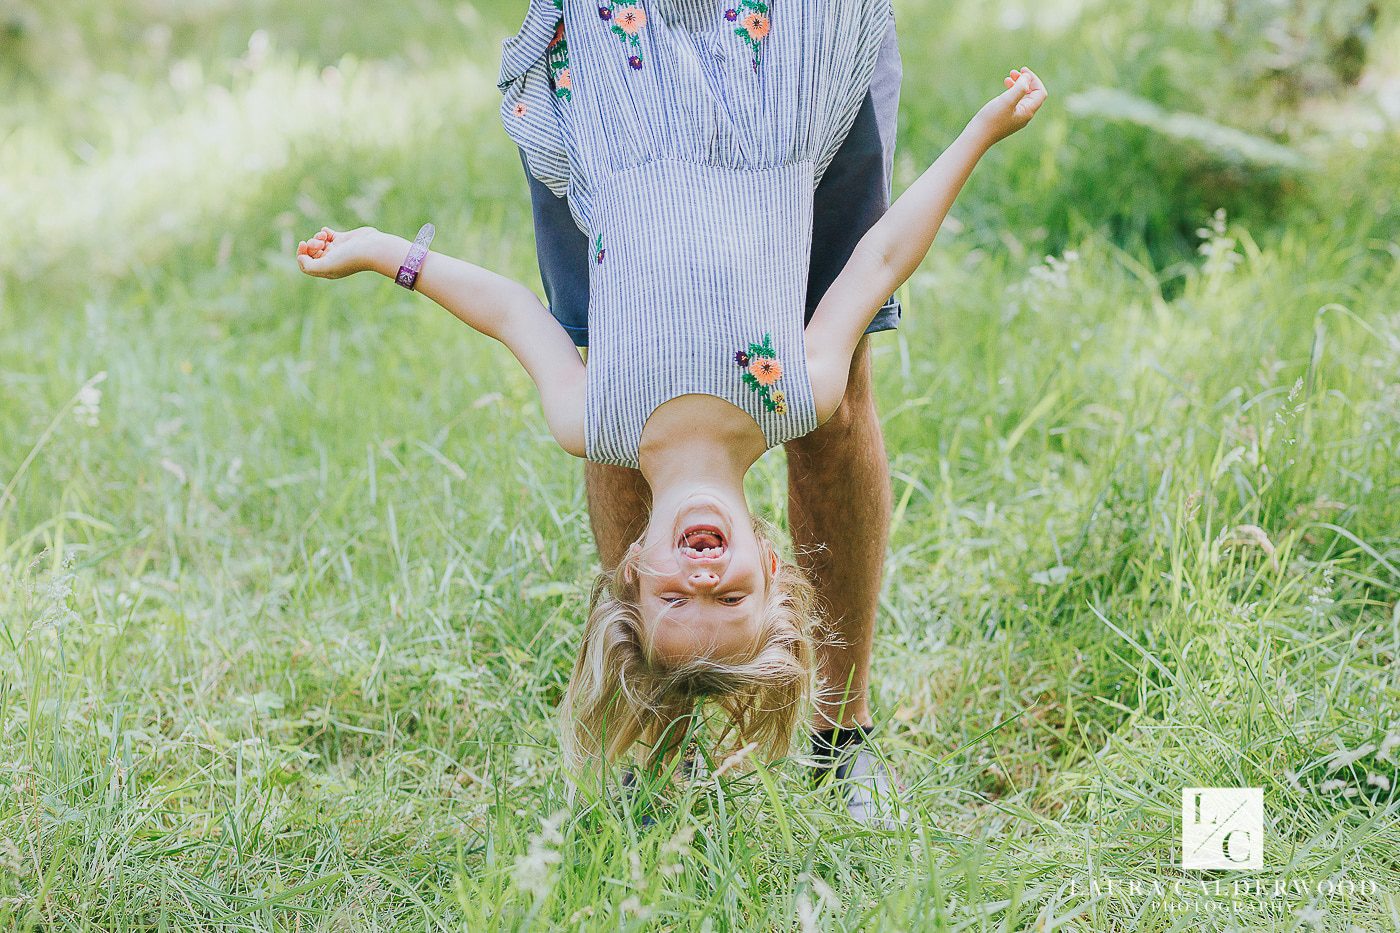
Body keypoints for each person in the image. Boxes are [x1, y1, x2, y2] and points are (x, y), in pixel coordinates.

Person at [294, 0, 1046, 826]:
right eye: (730, 601)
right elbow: (883, 255)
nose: (702, 582)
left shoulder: (594, 421)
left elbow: (511, 312)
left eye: (677, 602)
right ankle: (755, 747)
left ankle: (661, 754)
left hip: (627, 97)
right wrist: (978, 134)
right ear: (768, 561)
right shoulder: (799, 391)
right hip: (774, 83)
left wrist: (385, 254)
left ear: (634, 573)